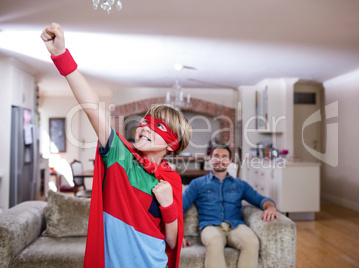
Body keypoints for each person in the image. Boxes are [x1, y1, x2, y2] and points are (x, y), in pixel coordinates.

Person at [41, 23, 192, 268]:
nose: (144, 128)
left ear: (172, 146)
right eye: (145, 122)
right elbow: (92, 107)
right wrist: (61, 55)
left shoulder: (171, 180)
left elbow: (173, 242)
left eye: (159, 128)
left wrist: (167, 205)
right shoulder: (120, 156)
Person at [182, 144, 278, 268]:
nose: (220, 160)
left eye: (224, 157)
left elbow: (262, 200)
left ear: (230, 161)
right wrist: (179, 235)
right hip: (211, 227)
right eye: (216, 156)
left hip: (236, 227)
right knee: (214, 240)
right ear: (210, 159)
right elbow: (180, 207)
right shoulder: (197, 184)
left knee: (252, 241)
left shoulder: (240, 184)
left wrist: (270, 207)